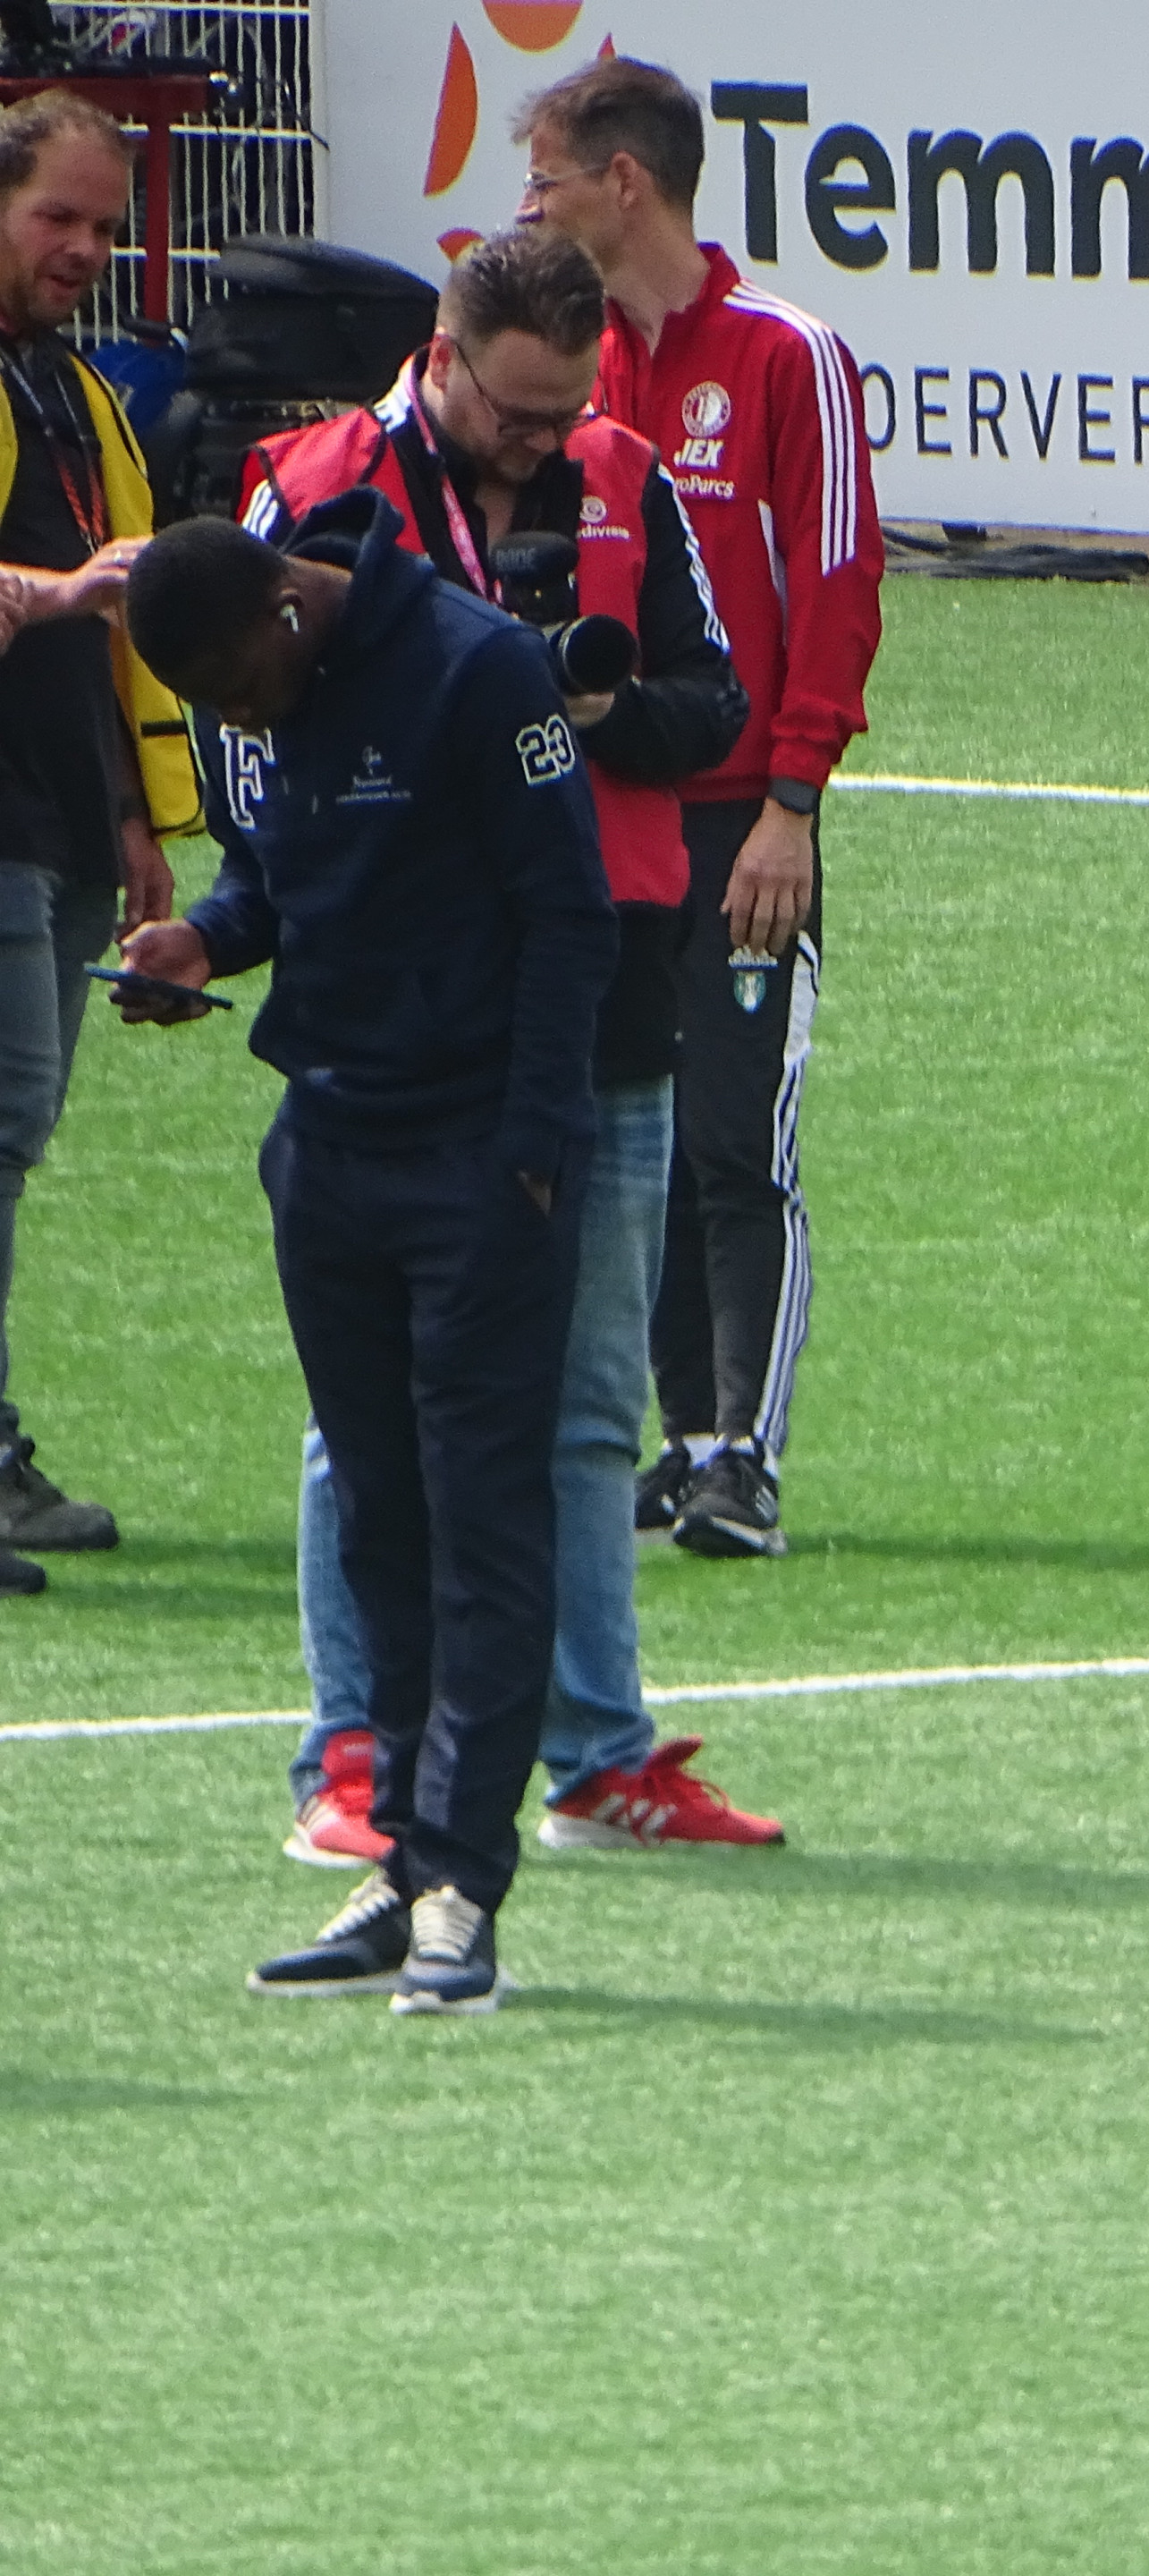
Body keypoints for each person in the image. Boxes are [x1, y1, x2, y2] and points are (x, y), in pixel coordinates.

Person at [239, 223, 781, 1865]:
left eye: (568, 413)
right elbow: (253, 739)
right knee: (372, 1413)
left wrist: (592, 715)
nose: (546, 445)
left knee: (591, 1406)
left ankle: (597, 1753)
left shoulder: (628, 476)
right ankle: (356, 1759)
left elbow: (716, 707)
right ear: (448, 356)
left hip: (597, 994)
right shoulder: (317, 488)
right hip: (397, 1018)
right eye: (519, 413)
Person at [120, 503, 614, 2014]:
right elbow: (277, 878)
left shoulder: (475, 672)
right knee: (380, 1518)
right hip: (326, 1156)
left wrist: (529, 1156)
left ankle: (467, 1883)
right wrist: (202, 943)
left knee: (483, 1526)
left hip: (475, 1167)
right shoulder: (262, 689)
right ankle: (402, 1863)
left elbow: (569, 918)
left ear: (285, 609)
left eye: (236, 691)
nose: (234, 722)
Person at [517, 55, 883, 1560]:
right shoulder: (554, 363)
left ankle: (748, 1453)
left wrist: (793, 799)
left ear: (623, 181)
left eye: (539, 179)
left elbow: (841, 586)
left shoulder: (788, 353)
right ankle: (678, 1434)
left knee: (739, 1142)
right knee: (629, 1136)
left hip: (742, 820)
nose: (521, 208)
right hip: (592, 820)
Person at [0, 90, 199, 1597]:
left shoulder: (73, 387)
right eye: (57, 216)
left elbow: (115, 627)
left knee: (18, 1133)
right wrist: (61, 594)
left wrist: (136, 820)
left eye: (106, 228)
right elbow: (79, 598)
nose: (85, 249)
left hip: (63, 819)